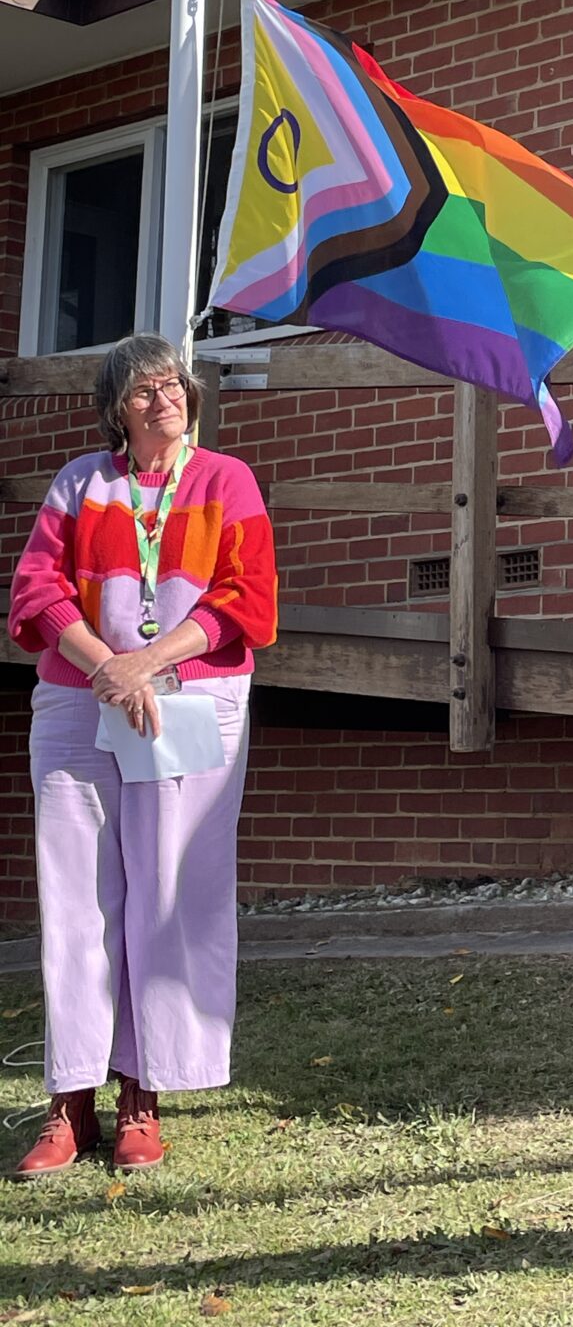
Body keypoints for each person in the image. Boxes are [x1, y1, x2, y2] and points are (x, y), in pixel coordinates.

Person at [8, 334, 277, 1178]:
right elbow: (37, 591)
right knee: (78, 897)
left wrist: (146, 664)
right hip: (79, 703)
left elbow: (248, 595)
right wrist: (107, 667)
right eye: (141, 392)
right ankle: (69, 1101)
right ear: (114, 412)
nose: (162, 399)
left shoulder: (225, 479)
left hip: (187, 705)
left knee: (166, 894)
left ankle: (142, 1096)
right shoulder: (81, 483)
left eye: (172, 385)